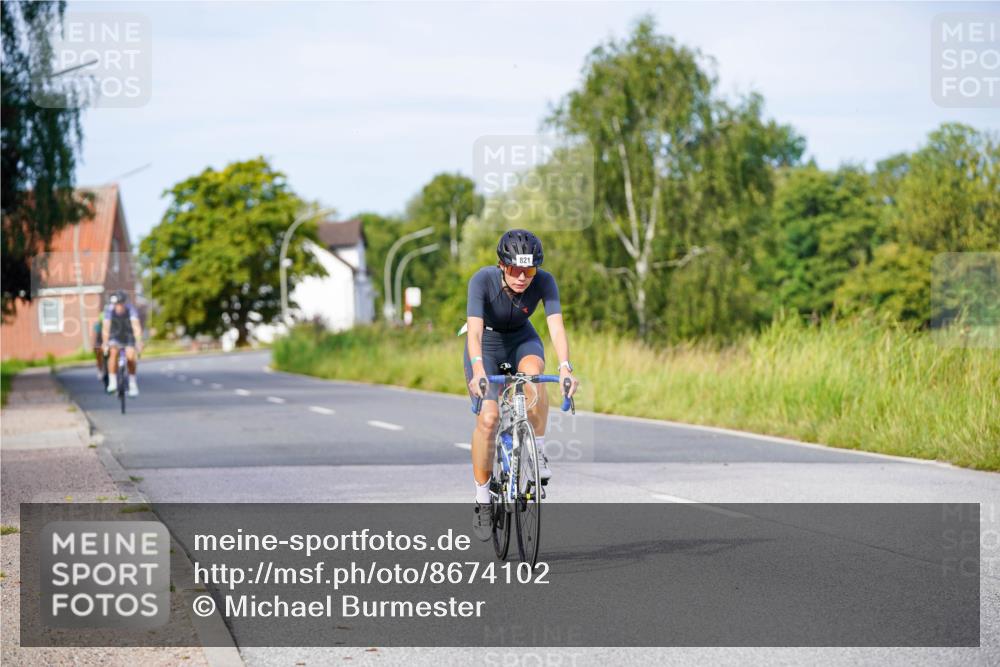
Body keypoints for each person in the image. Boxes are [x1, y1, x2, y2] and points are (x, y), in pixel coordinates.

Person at [464, 229, 578, 540]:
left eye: (529, 271)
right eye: (515, 269)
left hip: (522, 341)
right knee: (488, 419)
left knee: (534, 377)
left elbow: (556, 326)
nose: (522, 277)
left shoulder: (544, 281)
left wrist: (565, 367)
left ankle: (537, 452)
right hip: (486, 346)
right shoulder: (482, 280)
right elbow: (473, 333)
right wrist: (477, 371)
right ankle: (483, 501)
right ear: (502, 265)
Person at [102, 290, 143, 397]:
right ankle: (112, 381)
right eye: (116, 304)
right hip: (115, 335)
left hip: (128, 334)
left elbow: (136, 326)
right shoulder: (109, 310)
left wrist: (138, 341)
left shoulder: (131, 310)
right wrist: (105, 343)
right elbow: (106, 328)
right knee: (113, 352)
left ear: (124, 303)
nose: (118, 307)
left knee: (130, 357)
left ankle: (133, 383)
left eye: (120, 304)